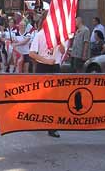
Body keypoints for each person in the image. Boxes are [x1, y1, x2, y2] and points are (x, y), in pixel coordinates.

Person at [29, 10, 65, 138]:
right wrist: (45, 61)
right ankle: (38, 119)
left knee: (55, 97)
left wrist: (61, 43)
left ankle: (52, 127)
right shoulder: (40, 35)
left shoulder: (59, 34)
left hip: (55, 68)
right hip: (43, 67)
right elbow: (32, 53)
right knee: (41, 96)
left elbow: (63, 50)